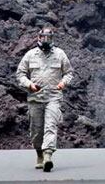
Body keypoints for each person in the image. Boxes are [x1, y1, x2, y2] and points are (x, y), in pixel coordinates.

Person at [16, 26, 74, 172]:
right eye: (43, 37)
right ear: (39, 37)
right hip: (35, 98)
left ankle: (48, 155)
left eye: (49, 37)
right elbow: (20, 74)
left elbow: (69, 73)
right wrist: (29, 84)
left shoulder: (60, 54)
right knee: (36, 131)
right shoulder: (30, 55)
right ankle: (39, 155)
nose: (46, 40)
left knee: (50, 126)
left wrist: (63, 83)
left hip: (53, 97)